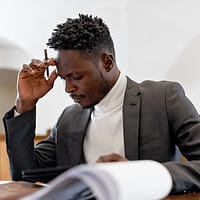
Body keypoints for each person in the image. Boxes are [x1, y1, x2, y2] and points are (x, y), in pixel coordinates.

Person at [3, 14, 200, 194]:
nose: (68, 88)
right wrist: (25, 104)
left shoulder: (163, 98)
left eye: (77, 77)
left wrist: (142, 174)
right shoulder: (69, 119)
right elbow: (24, 176)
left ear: (107, 62)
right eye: (64, 79)